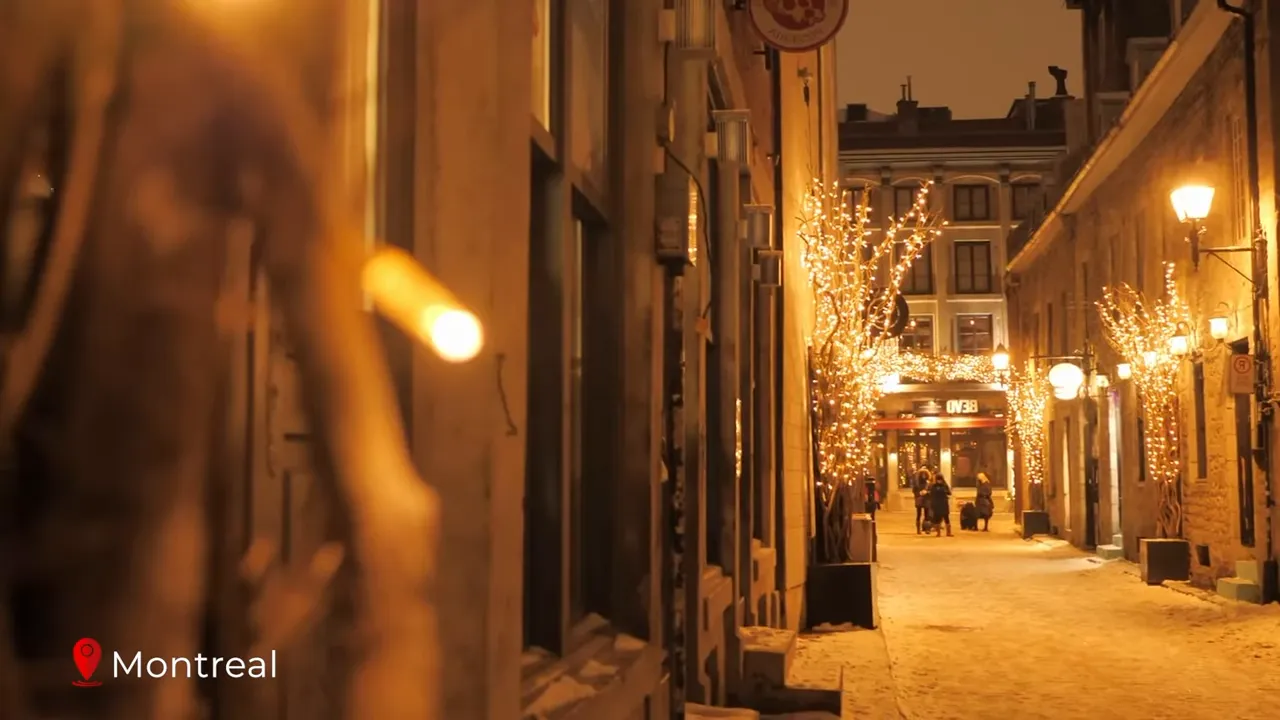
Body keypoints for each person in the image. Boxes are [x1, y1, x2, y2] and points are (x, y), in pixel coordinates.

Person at [911, 468, 931, 534]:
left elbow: (931, 491)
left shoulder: (928, 483)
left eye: (925, 474)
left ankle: (927, 529)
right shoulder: (917, 483)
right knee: (918, 514)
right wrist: (919, 493)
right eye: (922, 474)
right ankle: (918, 529)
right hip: (919, 499)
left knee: (927, 515)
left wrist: (927, 492)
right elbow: (914, 491)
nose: (923, 475)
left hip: (927, 499)